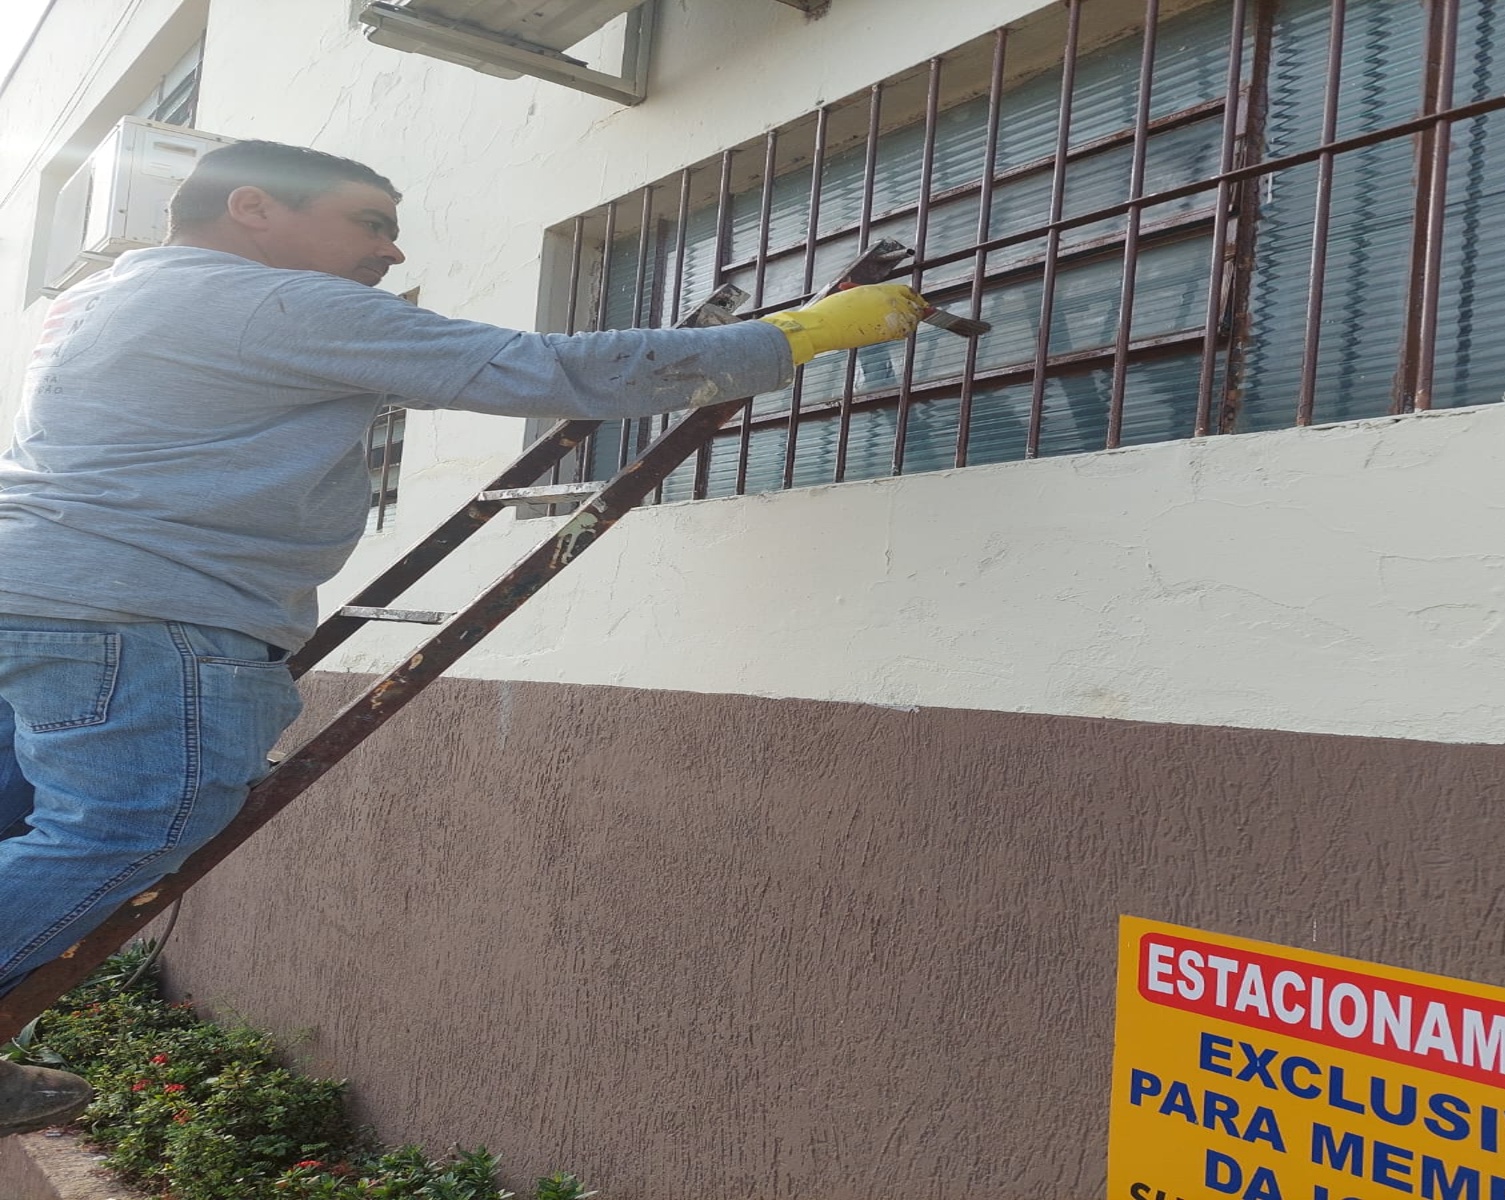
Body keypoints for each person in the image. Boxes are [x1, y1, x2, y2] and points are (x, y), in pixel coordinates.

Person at [0, 140, 925, 1136]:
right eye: (369, 223)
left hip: (50, 597)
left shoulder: (106, 297)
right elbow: (545, 370)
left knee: (28, 825)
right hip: (136, 615)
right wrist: (798, 334)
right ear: (254, 207)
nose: (391, 254)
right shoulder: (265, 301)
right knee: (135, 822)